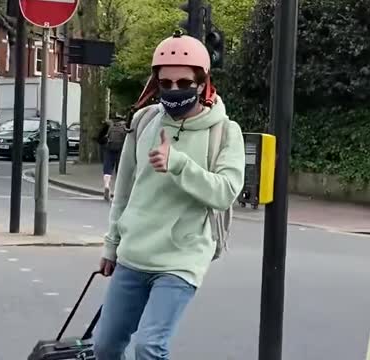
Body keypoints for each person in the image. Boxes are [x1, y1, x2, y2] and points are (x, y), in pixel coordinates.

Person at [93, 32, 246, 360]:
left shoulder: (224, 132)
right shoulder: (144, 121)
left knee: (150, 346)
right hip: (134, 255)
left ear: (203, 82)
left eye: (184, 82)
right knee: (104, 347)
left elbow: (225, 193)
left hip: (181, 260)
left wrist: (177, 164)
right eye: (166, 83)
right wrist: (111, 245)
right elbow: (123, 191)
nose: (174, 91)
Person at [101, 117, 128, 201]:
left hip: (109, 149)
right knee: (119, 171)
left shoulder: (109, 126)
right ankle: (118, 192)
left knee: (107, 169)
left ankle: (107, 185)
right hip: (120, 150)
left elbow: (101, 138)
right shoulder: (124, 127)